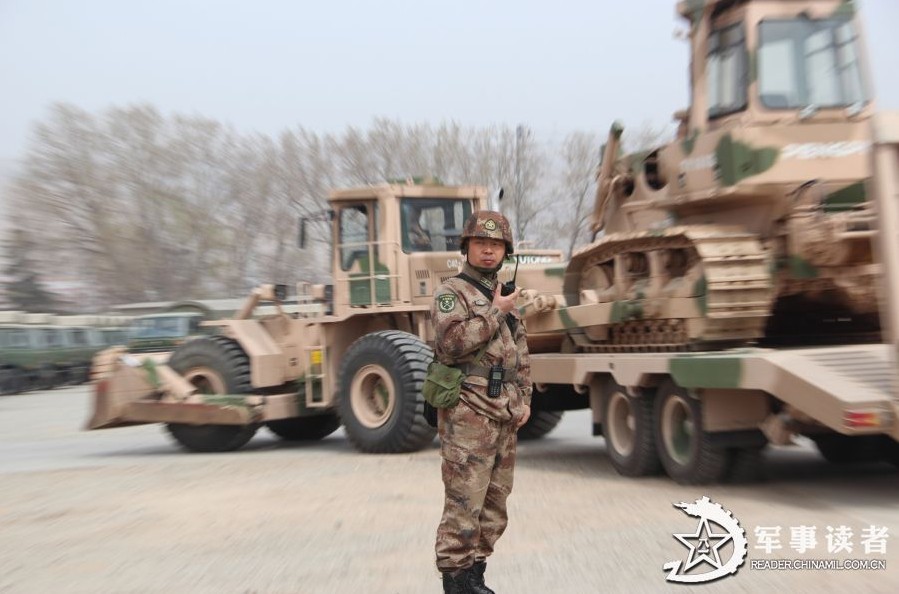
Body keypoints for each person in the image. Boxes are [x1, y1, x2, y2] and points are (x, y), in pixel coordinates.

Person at [430, 210, 531, 594]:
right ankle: (455, 583)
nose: (489, 251)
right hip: (468, 412)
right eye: (481, 244)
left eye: (496, 245)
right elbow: (451, 344)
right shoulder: (450, 293)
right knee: (463, 503)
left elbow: (520, 352)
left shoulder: (503, 294)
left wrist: (525, 399)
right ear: (466, 247)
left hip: (504, 410)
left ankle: (475, 577)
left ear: (506, 252)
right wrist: (496, 311)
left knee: (494, 505)